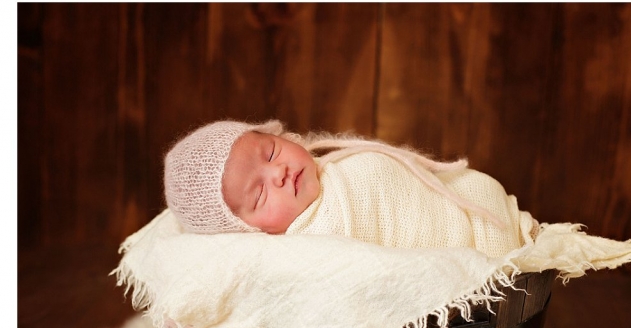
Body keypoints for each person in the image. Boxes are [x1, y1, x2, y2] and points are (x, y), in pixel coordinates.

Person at [163, 119, 540, 257]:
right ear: (247, 232)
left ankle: (513, 225)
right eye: (259, 194)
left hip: (463, 202)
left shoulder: (326, 163)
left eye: (271, 151)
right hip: (455, 245)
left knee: (475, 189)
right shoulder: (301, 248)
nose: (277, 173)